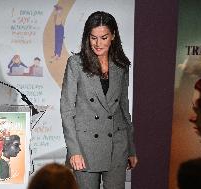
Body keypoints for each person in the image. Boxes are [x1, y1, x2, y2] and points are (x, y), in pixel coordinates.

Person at [60, 11, 138, 189]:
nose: (98, 43)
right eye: (93, 37)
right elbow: (67, 110)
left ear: (113, 36)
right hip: (85, 147)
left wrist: (131, 148)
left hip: (117, 146)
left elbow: (124, 109)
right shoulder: (76, 64)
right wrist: (74, 151)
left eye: (104, 37)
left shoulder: (121, 65)